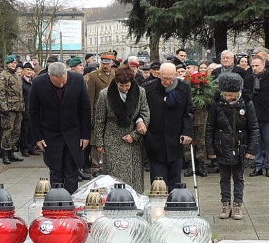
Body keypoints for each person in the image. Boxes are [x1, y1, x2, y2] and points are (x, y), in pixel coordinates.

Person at [29, 62, 91, 194]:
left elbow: (85, 109)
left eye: (64, 82)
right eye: (57, 84)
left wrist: (85, 135)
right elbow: (33, 111)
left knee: (71, 171)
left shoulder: (78, 80)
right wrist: (38, 137)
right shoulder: (38, 83)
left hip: (73, 133)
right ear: (49, 77)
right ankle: (57, 202)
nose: (61, 85)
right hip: (50, 134)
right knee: (55, 170)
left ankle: (70, 202)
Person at [205, 72, 258, 220]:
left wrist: (251, 150)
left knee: (239, 177)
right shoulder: (216, 105)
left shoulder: (247, 104)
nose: (227, 98)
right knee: (224, 177)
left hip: (240, 147)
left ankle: (237, 205)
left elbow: (253, 127)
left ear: (238, 93)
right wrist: (210, 150)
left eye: (231, 95)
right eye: (225, 94)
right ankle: (225, 203)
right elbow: (210, 128)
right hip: (221, 146)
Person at [94, 65, 150, 194]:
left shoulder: (140, 92)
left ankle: (135, 199)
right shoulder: (105, 94)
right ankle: (115, 199)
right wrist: (99, 142)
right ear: (116, 82)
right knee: (114, 176)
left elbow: (145, 113)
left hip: (133, 140)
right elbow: (99, 119)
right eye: (121, 86)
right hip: (112, 139)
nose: (124, 89)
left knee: (133, 176)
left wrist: (135, 135)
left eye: (127, 86)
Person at [144, 63, 194, 191]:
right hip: (156, 141)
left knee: (175, 181)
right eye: (165, 79)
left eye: (171, 79)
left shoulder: (184, 88)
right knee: (158, 183)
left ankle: (174, 206)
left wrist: (187, 132)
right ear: (158, 75)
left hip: (175, 140)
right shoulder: (148, 89)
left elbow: (188, 112)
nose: (168, 82)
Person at [244, 55, 269, 177]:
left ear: (263, 65)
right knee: (256, 142)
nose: (254, 68)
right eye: (253, 66)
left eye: (257, 66)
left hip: (268, 113)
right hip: (254, 114)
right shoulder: (249, 79)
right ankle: (258, 165)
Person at [86, 52, 116, 177]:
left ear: (112, 63)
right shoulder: (93, 76)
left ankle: (109, 165)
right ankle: (95, 166)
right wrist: (91, 116)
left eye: (107, 63)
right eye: (103, 62)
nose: (105, 65)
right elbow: (90, 98)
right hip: (98, 112)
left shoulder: (116, 75)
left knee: (111, 140)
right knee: (96, 141)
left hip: (113, 114)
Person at [0, 55, 25, 165]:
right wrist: (4, 108)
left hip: (18, 108)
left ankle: (11, 152)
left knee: (16, 131)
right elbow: (1, 93)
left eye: (15, 63)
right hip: (9, 108)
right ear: (7, 64)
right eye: (11, 63)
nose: (14, 64)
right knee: (7, 131)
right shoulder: (3, 75)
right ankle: (5, 153)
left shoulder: (16, 76)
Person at [19, 62, 38, 157]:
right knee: (25, 130)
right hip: (24, 109)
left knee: (32, 130)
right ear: (23, 71)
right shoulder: (21, 82)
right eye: (27, 70)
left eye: (30, 70)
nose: (29, 72)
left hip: (33, 110)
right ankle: (24, 149)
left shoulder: (33, 82)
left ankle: (31, 148)